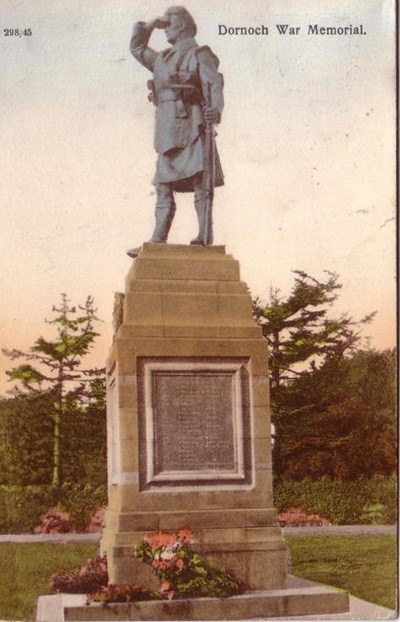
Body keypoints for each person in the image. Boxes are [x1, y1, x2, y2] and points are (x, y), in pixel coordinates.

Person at [127, 6, 224, 258]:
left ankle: (204, 235)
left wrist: (215, 109)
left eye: (169, 22)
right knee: (162, 183)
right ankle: (158, 238)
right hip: (167, 131)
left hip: (192, 125)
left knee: (200, 181)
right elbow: (137, 48)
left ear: (182, 25)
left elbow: (214, 84)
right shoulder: (161, 59)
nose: (165, 27)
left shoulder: (199, 54)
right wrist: (148, 26)